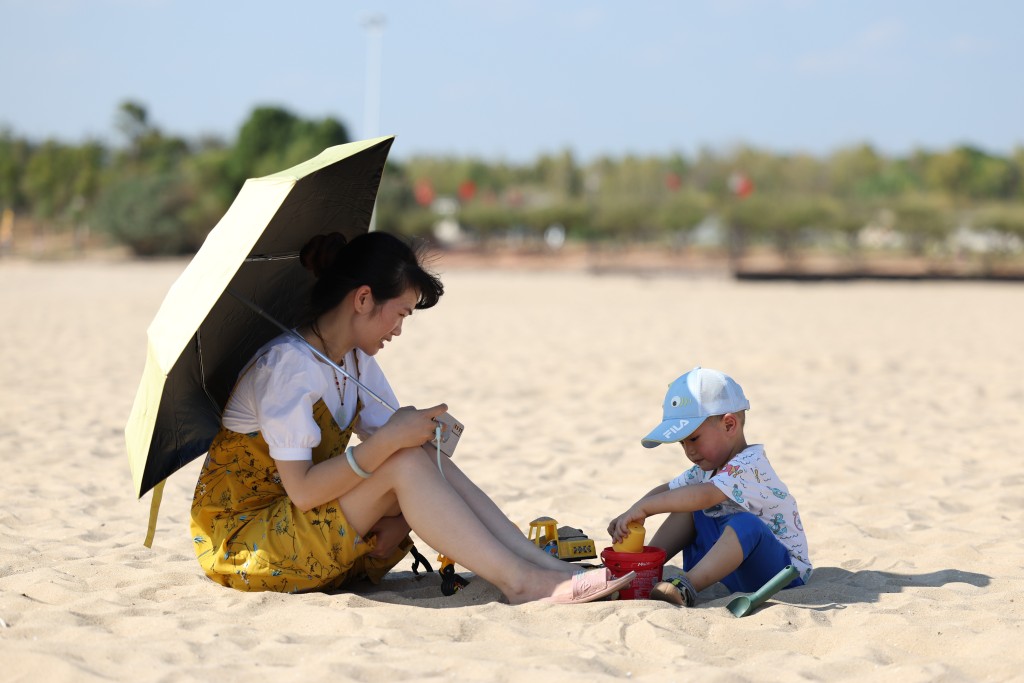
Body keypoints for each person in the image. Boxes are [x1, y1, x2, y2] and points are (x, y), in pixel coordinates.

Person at [190, 231, 634, 604]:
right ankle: (521, 581)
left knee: (415, 451)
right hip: (249, 539)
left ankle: (542, 566)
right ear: (363, 299)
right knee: (400, 456)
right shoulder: (288, 367)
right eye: (400, 313)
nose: (399, 330)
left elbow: (413, 457)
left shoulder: (353, 361)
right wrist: (387, 443)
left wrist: (406, 494)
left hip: (297, 522)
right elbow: (304, 492)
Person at [607, 366, 811, 606]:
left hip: (778, 573)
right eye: (682, 443)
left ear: (729, 425)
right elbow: (671, 491)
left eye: (694, 438)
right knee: (687, 507)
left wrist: (646, 508)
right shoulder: (706, 470)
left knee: (744, 523)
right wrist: (634, 509)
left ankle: (687, 586)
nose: (689, 451)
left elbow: (704, 496)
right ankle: (642, 568)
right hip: (733, 572)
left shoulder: (749, 464)